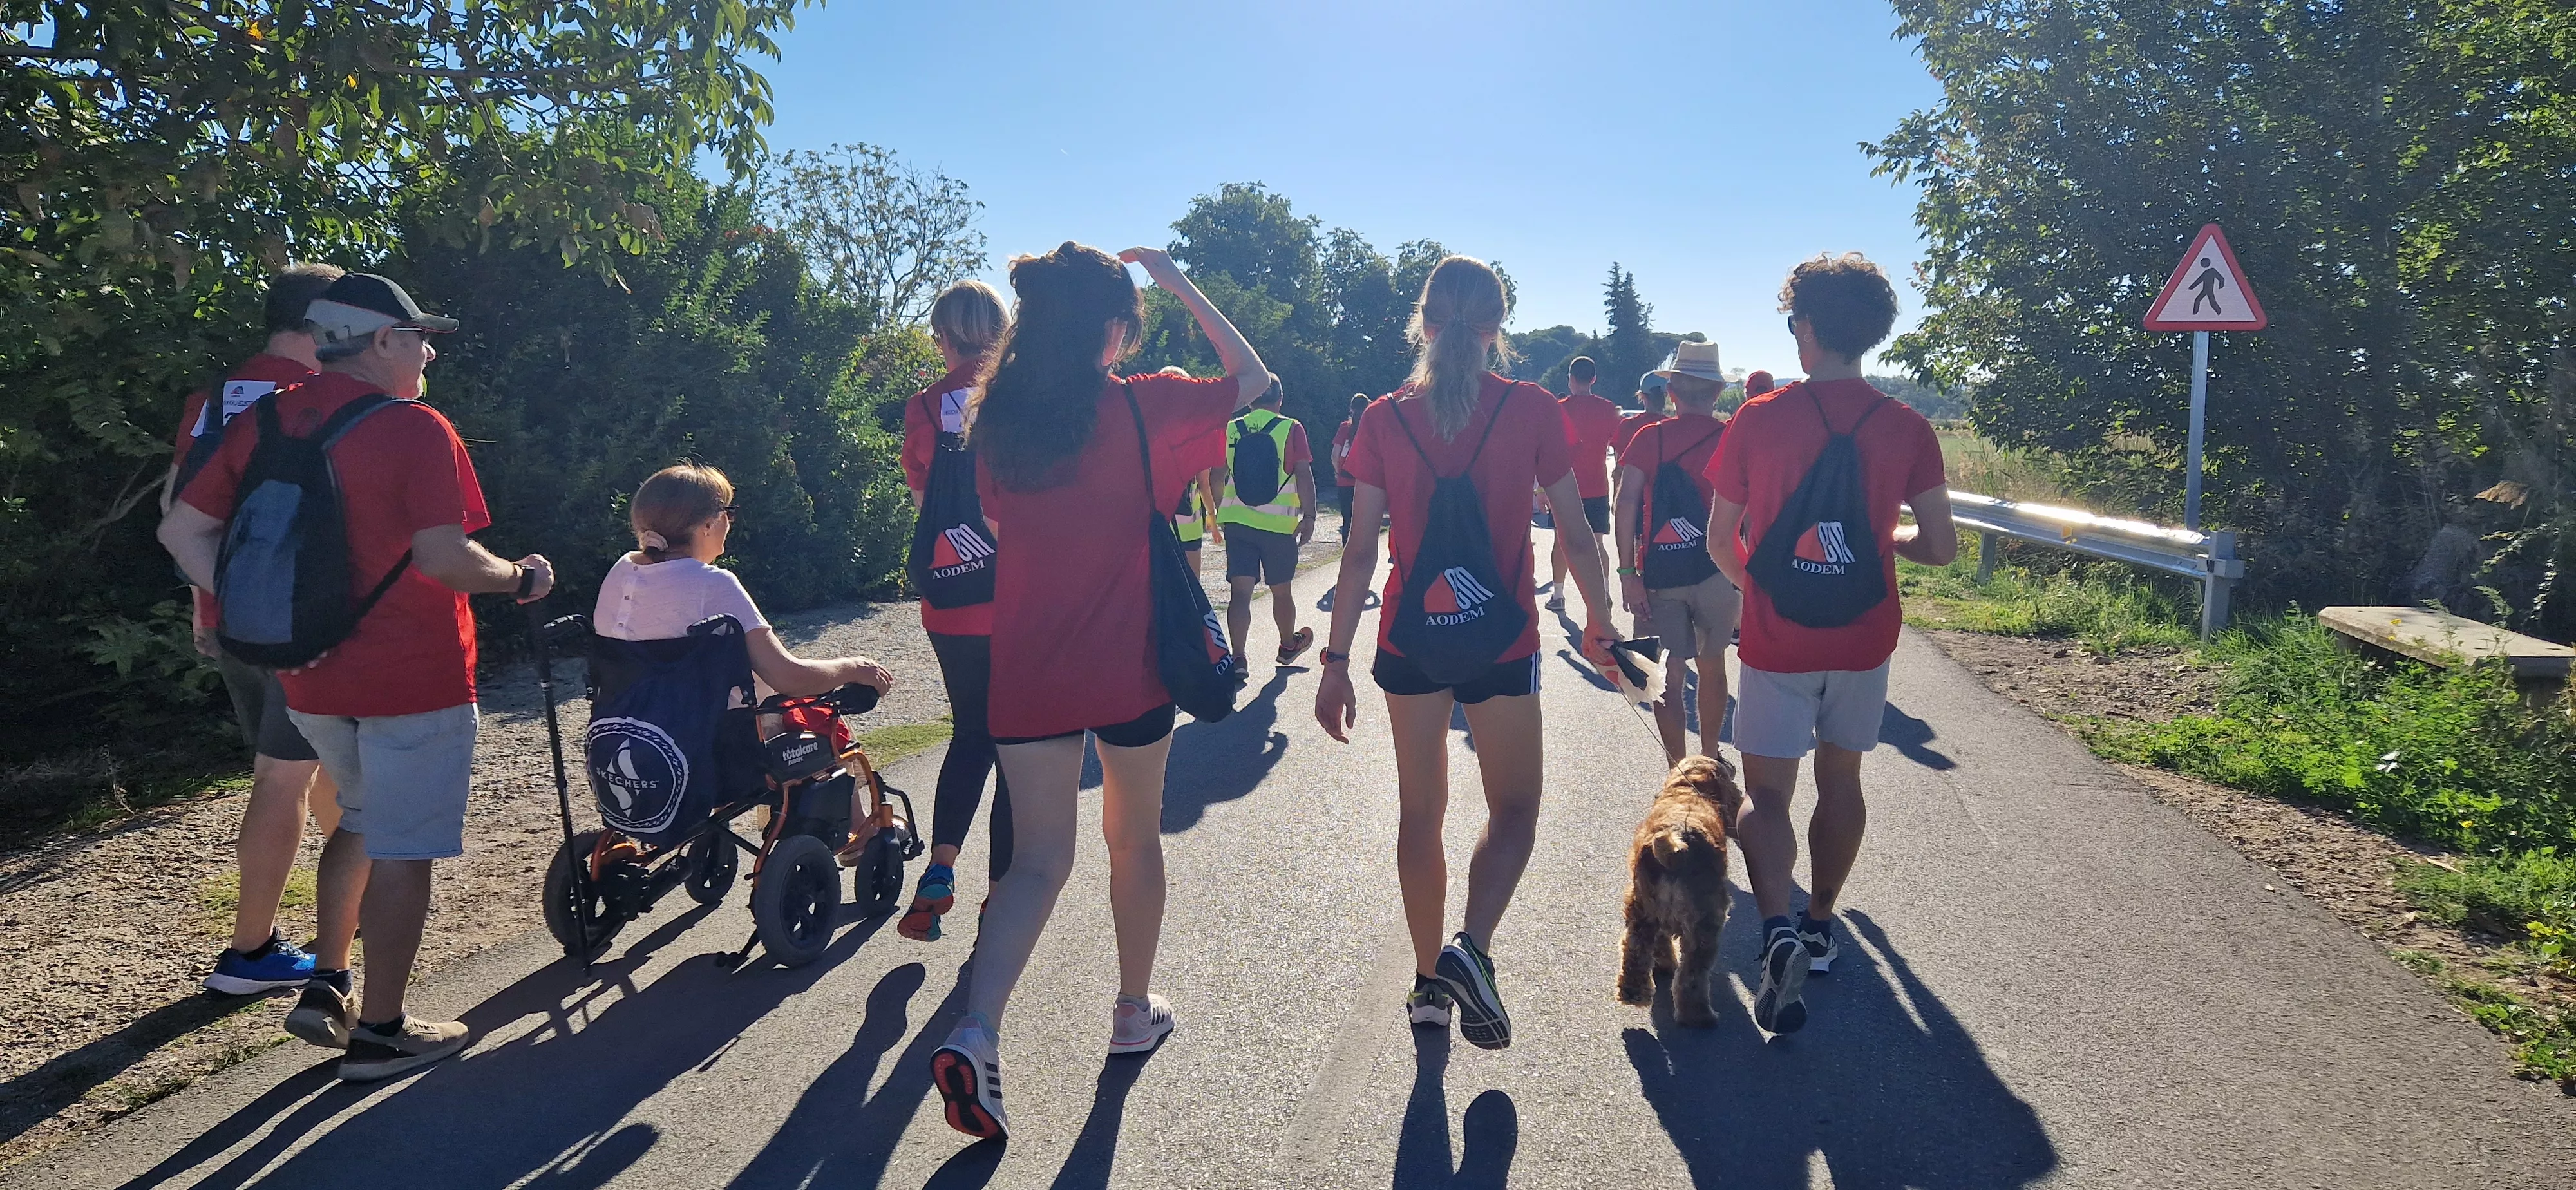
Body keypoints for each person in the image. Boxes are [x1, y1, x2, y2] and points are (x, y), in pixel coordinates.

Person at [162, 272, 553, 1081]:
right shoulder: (415, 428)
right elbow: (444, 559)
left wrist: (253, 629)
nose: (427, 350)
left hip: (311, 683)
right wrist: (520, 577)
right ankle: (382, 1032)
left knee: (364, 819)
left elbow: (181, 529)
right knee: (404, 849)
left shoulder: (269, 415)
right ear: (381, 341)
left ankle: (329, 983)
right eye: (418, 337)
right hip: (413, 677)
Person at [928, 242, 1272, 1140]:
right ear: (1115, 327)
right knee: (1133, 837)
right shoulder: (1143, 401)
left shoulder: (996, 419)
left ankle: (977, 1029)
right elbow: (1255, 377)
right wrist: (1181, 280)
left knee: (1037, 861)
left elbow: (999, 523)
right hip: (1132, 667)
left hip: (1029, 665)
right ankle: (1131, 1007)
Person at [1314, 256, 1615, 1049]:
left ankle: (1426, 987)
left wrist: (1335, 660)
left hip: (1410, 638)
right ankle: (1471, 948)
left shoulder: (1382, 417)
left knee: (1422, 812)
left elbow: (1357, 553)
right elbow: (1576, 530)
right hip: (1501, 635)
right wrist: (1601, 618)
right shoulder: (1532, 408)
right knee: (1513, 808)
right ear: (1496, 327)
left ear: (1421, 322)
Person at [1701, 253, 1956, 1035]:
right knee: (1840, 779)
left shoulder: (1758, 418)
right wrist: (1883, 542)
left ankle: (1773, 926)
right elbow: (1940, 546)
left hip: (1779, 639)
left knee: (1767, 796)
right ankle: (1817, 926)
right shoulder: (1908, 427)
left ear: (1806, 329)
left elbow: (1721, 541)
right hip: (1864, 634)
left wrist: (1765, 593)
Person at [162, 263, 366, 1004]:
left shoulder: (215, 397)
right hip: (291, 624)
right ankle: (249, 951)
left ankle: (349, 904)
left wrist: (203, 605)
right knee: (284, 777)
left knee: (300, 767)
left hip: (231, 616)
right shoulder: (303, 400)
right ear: (323, 320)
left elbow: (184, 504)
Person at [596, 463, 895, 851]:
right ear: (706, 525)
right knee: (821, 716)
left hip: (633, 729)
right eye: (727, 513)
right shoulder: (714, 584)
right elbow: (787, 675)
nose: (729, 524)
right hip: (720, 743)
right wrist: (854, 668)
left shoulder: (621, 574)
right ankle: (854, 835)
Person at [891, 281, 1015, 941]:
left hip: (951, 599)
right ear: (1000, 331)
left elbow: (923, 509)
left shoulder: (923, 407)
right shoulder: (1019, 397)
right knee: (1018, 748)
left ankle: (940, 869)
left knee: (970, 734)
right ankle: (999, 899)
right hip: (1019, 601)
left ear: (942, 338)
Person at [1614, 340, 1738, 762]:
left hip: (1658, 574)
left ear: (1672, 393)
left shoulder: (1650, 438)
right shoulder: (1731, 438)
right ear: (1718, 393)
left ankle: (1676, 766)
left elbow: (1625, 501)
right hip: (1717, 572)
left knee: (1665, 671)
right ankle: (1708, 756)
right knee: (1713, 663)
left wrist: (1628, 573)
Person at [1217, 382, 1317, 670]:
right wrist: (1309, 516)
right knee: (1282, 591)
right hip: (1278, 527)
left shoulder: (1232, 429)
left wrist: (1224, 509)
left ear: (1250, 400)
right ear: (1281, 399)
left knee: (1241, 594)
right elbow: (1303, 473)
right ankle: (1288, 645)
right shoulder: (1291, 428)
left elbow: (1217, 476)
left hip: (1238, 524)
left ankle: (1238, 658)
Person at [1548, 355, 1622, 612]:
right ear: (1593, 379)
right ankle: (1604, 592)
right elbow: (1621, 447)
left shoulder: (1559, 409)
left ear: (1570, 379)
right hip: (1598, 487)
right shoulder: (1608, 409)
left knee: (1561, 541)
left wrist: (1541, 489)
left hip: (1563, 487)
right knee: (1598, 543)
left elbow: (1547, 451)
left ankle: (1558, 596)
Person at [1157, 367, 1220, 579]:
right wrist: (1212, 516)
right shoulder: (1197, 433)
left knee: (1161, 587)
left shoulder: (1150, 429)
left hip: (1158, 523)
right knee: (1192, 586)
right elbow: (1204, 483)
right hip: (1189, 525)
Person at [1331, 392, 1367, 542]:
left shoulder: (1345, 427)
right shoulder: (1369, 428)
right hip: (1365, 482)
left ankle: (1347, 555)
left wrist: (1338, 472)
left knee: (1348, 521)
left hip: (1345, 481)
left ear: (1351, 409)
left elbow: (1335, 455)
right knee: (1363, 523)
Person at [1613, 371, 1668, 458]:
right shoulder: (1672, 427)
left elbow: (1619, 465)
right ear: (1666, 395)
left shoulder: (1628, 425)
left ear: (1641, 396)